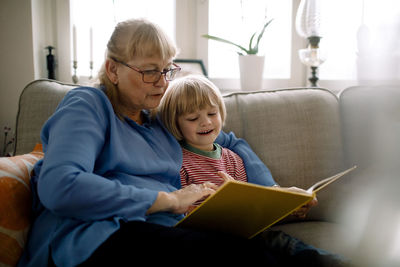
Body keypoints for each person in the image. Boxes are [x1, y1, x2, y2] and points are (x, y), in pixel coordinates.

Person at [18, 18, 282, 267]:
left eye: (166, 70)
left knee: (262, 250)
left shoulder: (159, 116)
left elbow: (230, 141)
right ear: (113, 69)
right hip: (96, 234)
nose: (162, 82)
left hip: (160, 226)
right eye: (149, 71)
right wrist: (166, 200)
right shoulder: (89, 105)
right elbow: (61, 185)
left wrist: (274, 191)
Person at [158, 74, 350, 266]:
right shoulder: (180, 163)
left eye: (211, 113)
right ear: (175, 123)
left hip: (244, 231)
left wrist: (285, 206)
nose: (206, 122)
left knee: (282, 242)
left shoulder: (232, 158)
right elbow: (179, 209)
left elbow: (251, 202)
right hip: (207, 237)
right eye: (193, 118)